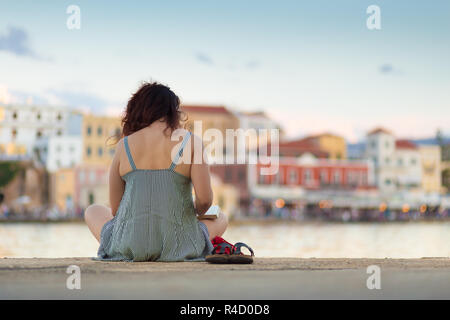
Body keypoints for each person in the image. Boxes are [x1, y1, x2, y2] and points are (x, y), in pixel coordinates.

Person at [84, 82, 228, 262]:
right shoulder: (192, 142)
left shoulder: (124, 145)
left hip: (130, 245)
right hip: (181, 245)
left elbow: (116, 209)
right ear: (173, 112)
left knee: (93, 210)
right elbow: (205, 200)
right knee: (220, 216)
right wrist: (194, 211)